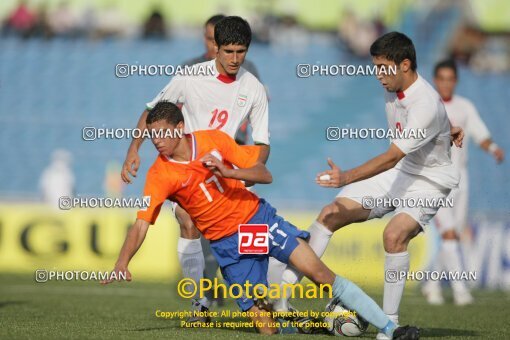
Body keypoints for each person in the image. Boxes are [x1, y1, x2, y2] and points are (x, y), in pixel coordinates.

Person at [104, 101, 419, 339]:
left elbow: (264, 173)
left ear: (179, 128)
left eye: (161, 133)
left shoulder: (214, 140)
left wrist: (231, 172)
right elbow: (141, 223)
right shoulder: (159, 175)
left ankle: (391, 329)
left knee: (321, 274)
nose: (156, 141)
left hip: (257, 220)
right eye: (152, 135)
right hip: (228, 246)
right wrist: (122, 262)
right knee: (266, 327)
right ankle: (315, 325)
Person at [274, 32, 464, 340]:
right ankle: (279, 299)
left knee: (394, 234)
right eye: (375, 67)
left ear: (405, 65)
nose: (378, 75)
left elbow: (391, 156)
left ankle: (389, 326)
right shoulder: (396, 86)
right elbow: (418, 133)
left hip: (429, 181)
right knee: (330, 213)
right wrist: (447, 129)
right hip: (403, 169)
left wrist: (346, 177)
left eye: (383, 68)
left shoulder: (425, 104)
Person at [120, 16, 270, 317]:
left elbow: (262, 142)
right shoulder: (189, 76)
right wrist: (134, 148)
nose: (234, 58)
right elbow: (152, 111)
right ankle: (199, 301)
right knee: (187, 221)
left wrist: (251, 171)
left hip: (226, 169)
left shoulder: (253, 87)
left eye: (240, 52)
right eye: (228, 50)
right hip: (188, 167)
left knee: (249, 238)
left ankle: (267, 298)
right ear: (215, 47)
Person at [421, 59, 505, 306]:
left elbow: (480, 132)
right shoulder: (427, 108)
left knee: (453, 237)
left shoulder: (465, 106)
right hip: (437, 182)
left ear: (455, 81)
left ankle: (432, 283)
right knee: (447, 233)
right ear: (436, 80)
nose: (446, 83)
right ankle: (460, 291)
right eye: (442, 79)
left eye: (450, 79)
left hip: (462, 179)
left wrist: (494, 148)